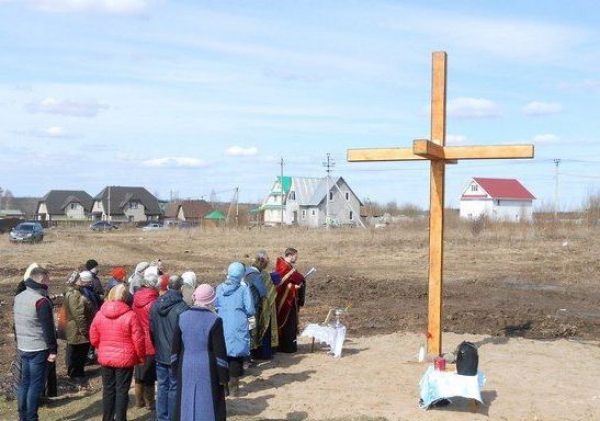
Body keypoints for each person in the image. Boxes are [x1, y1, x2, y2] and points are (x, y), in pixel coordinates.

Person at [172, 284, 228, 421]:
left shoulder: (182, 317)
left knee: (186, 401)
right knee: (207, 402)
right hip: (207, 367)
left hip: (186, 365)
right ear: (210, 300)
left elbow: (175, 348)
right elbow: (220, 352)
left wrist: (175, 370)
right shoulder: (215, 320)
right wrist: (223, 378)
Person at [90, 284, 146, 421]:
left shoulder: (99, 314)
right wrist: (140, 357)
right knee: (121, 391)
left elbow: (93, 336)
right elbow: (138, 339)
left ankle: (107, 418)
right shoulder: (131, 315)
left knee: (109, 390)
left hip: (107, 357)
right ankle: (120, 418)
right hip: (124, 359)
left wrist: (102, 347)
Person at [13, 266, 58, 421]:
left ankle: (22, 416)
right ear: (41, 279)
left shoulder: (19, 297)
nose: (49, 282)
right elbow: (48, 328)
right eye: (48, 279)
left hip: (23, 346)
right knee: (34, 385)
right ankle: (31, 418)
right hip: (38, 348)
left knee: (24, 383)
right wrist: (53, 349)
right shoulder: (41, 301)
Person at [150, 275, 189, 421]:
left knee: (162, 386)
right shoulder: (183, 308)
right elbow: (186, 334)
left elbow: (151, 330)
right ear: (181, 287)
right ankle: (172, 417)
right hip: (175, 355)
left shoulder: (155, 305)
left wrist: (158, 347)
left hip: (161, 353)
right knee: (173, 386)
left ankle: (162, 417)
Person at [215, 262, 255, 396]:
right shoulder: (243, 289)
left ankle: (224, 388)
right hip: (238, 325)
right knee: (236, 356)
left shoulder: (220, 288)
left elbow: (216, 305)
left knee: (223, 354)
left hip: (221, 324)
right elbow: (250, 309)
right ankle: (234, 389)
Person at [132, 271, 159, 410]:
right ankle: (150, 402)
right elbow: (155, 323)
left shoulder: (136, 297)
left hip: (138, 339)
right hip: (150, 340)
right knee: (149, 373)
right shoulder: (155, 302)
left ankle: (138, 401)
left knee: (139, 372)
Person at [246, 251, 279, 360]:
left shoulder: (245, 272)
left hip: (243, 307)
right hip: (253, 307)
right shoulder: (257, 276)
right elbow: (263, 293)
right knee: (253, 331)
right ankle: (255, 355)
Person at [64, 271, 96, 381]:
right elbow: (79, 315)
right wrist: (85, 330)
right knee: (79, 352)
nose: (82, 280)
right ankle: (76, 375)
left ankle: (77, 373)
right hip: (78, 330)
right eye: (79, 278)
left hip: (77, 329)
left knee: (78, 352)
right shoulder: (74, 295)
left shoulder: (76, 292)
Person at [274, 248, 306, 353]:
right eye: (295, 256)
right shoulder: (282, 267)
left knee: (291, 324)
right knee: (287, 324)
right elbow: (279, 284)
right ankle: (285, 347)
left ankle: (290, 346)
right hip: (285, 301)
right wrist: (293, 287)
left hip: (291, 300)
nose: (296, 258)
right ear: (291, 255)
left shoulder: (288, 266)